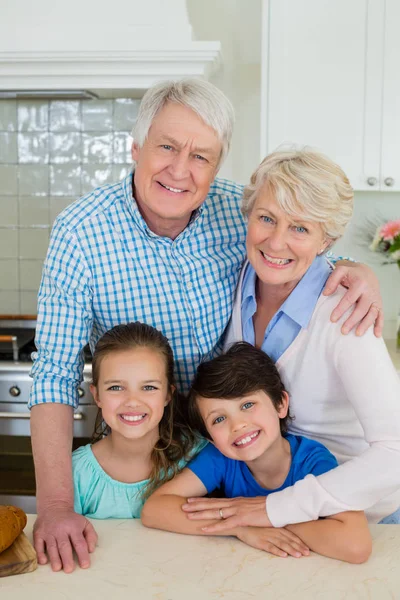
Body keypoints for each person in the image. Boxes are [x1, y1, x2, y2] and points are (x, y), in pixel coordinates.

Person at [29, 79, 383, 573]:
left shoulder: (235, 209)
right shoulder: (82, 232)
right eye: (167, 147)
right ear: (136, 148)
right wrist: (55, 507)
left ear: (218, 167)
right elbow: (54, 375)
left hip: (233, 441)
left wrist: (356, 268)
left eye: (201, 156)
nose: (180, 170)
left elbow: (290, 244)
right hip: (145, 443)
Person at [178, 148, 400, 533]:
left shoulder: (346, 314)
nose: (276, 242)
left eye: (300, 228)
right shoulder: (236, 280)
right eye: (266, 218)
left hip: (367, 521)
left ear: (326, 238)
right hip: (281, 515)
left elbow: (395, 453)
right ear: (248, 217)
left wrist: (276, 508)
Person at [141, 343, 372, 564]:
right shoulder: (220, 458)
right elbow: (155, 509)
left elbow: (355, 545)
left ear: (281, 404)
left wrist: (268, 519)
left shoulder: (312, 460)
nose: (237, 425)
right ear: (211, 438)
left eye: (247, 405)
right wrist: (241, 527)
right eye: (219, 419)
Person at [72, 321, 197, 519]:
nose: (132, 402)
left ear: (167, 395)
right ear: (96, 396)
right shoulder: (76, 472)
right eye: (115, 387)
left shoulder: (197, 457)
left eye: (149, 387)